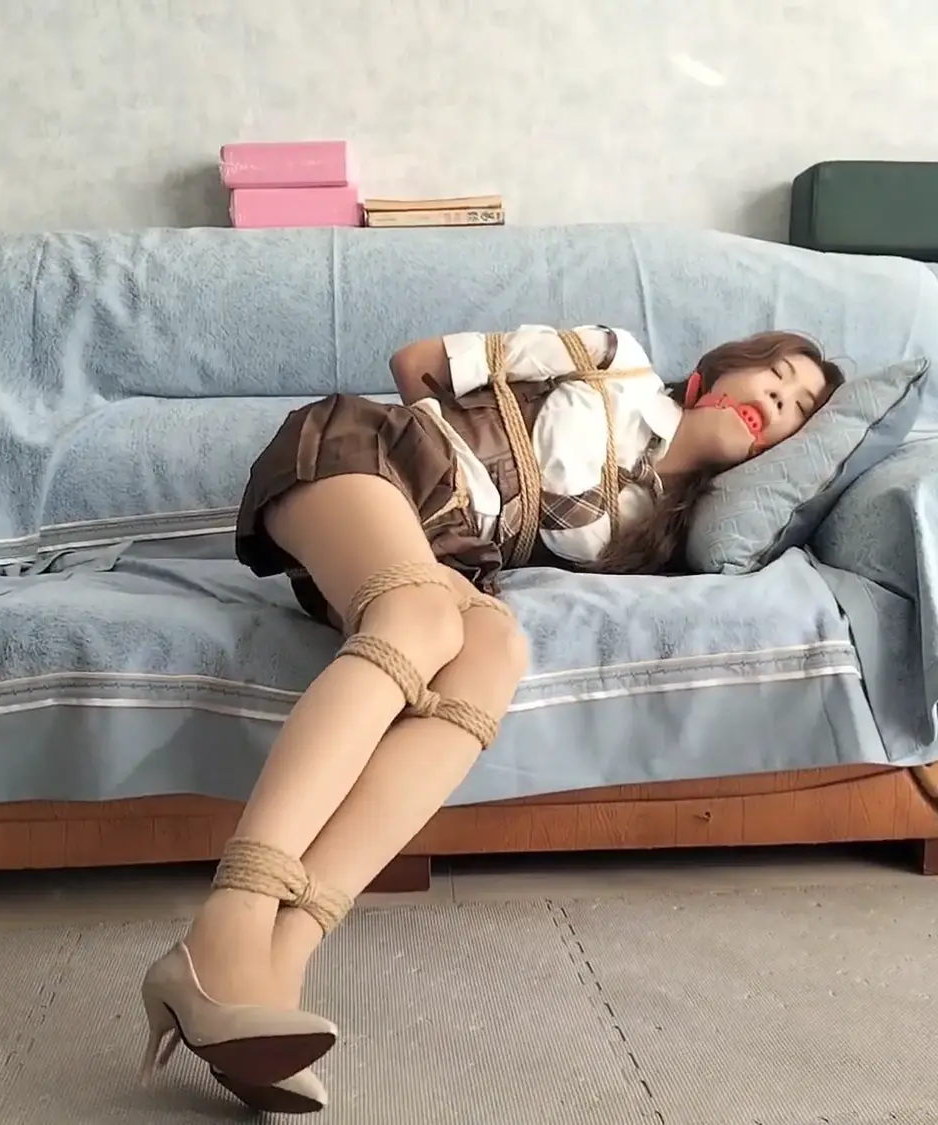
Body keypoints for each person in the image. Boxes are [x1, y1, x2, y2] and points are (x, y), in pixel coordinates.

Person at [137, 325, 844, 1113]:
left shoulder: (661, 532)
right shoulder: (617, 361)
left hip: (452, 549)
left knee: (495, 650)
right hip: (378, 459)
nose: (779, 397)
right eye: (776, 374)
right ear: (717, 371)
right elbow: (417, 363)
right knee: (421, 620)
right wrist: (455, 462)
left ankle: (281, 959)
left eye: (798, 408)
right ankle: (227, 926)